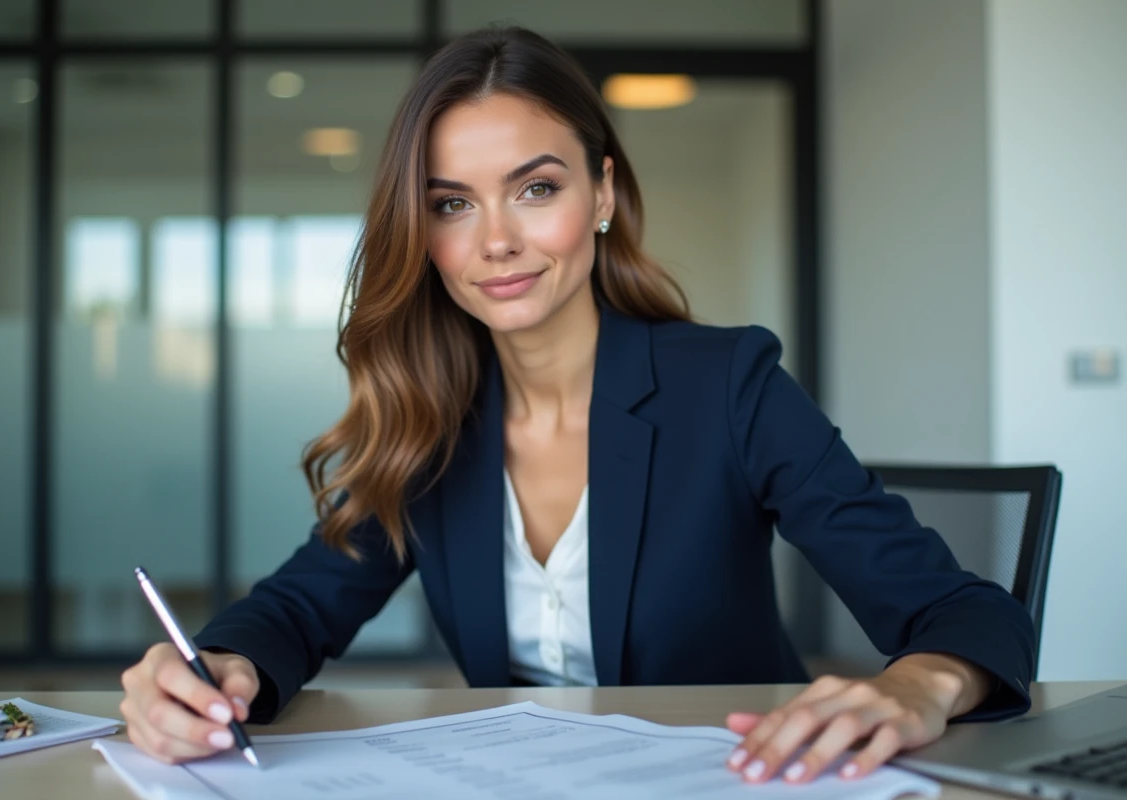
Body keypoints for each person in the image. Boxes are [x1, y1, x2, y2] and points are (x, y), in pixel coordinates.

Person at [119, 25, 1034, 785]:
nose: (498, 241)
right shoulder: (431, 418)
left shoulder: (728, 384)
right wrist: (220, 670)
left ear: (601, 192)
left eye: (536, 188)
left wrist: (926, 683)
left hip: (741, 781)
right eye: (451, 205)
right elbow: (294, 610)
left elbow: (962, 611)